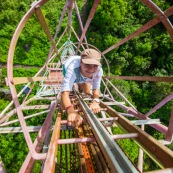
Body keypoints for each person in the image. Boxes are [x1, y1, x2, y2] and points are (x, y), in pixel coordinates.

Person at [61, 48, 103, 127]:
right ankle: (76, 82)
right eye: (87, 65)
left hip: (83, 74)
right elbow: (64, 93)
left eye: (95, 66)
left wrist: (95, 101)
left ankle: (80, 83)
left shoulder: (99, 70)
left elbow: (96, 88)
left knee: (87, 91)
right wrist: (71, 111)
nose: (91, 69)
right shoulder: (72, 69)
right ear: (81, 62)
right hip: (68, 67)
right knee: (72, 83)